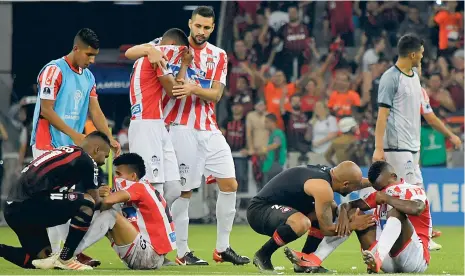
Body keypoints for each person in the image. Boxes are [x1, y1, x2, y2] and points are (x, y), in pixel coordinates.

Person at [125, 6, 249, 265]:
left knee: (230, 184)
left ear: (212, 28)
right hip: (179, 127)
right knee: (184, 191)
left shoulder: (219, 55)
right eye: (197, 26)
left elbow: (216, 95)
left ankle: (222, 248)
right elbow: (133, 53)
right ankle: (181, 251)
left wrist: (192, 88)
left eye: (206, 28)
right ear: (190, 24)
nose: (201, 32)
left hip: (210, 127)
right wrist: (150, 48)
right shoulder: (172, 47)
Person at [29, 28, 121, 263]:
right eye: (89, 55)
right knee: (55, 202)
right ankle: (61, 255)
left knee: (69, 200)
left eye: (94, 56)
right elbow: (47, 111)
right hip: (47, 146)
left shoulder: (88, 77)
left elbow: (96, 111)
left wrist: (108, 138)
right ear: (76, 48)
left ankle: (67, 253)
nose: (92, 61)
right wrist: (77, 136)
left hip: (71, 150)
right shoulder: (54, 70)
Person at [372, 33, 461, 251]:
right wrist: (378, 148)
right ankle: (422, 238)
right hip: (397, 147)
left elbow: (429, 115)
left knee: (411, 191)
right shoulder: (390, 78)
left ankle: (418, 235)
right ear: (412, 54)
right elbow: (382, 116)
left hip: (413, 147)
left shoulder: (414, 77)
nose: (422, 56)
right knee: (412, 191)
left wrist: (450, 135)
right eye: (421, 52)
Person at [0, 131, 111, 270]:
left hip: (13, 209)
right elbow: (96, 201)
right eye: (105, 156)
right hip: (30, 204)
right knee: (87, 203)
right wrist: (117, 198)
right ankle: (66, 258)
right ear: (97, 149)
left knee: (44, 261)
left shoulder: (65, 152)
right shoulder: (86, 159)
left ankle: (1, 249)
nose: (104, 161)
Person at [294, 161, 431, 273]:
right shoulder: (379, 194)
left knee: (396, 213)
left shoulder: (411, 189)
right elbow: (348, 205)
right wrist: (343, 215)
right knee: (355, 215)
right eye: (379, 189)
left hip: (415, 259)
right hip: (388, 263)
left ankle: (378, 257)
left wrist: (387, 198)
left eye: (385, 187)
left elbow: (417, 208)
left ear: (394, 176)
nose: (382, 191)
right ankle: (315, 259)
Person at [246, 161, 375, 272]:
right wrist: (354, 225)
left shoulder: (331, 174)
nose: (356, 189)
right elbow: (327, 229)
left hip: (282, 207)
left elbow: (358, 182)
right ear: (346, 184)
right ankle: (263, 255)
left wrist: (380, 182)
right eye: (354, 187)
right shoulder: (323, 188)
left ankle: (304, 261)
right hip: (260, 211)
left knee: (329, 210)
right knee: (302, 223)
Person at [72, 153, 176, 269]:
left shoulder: (139, 187)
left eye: (119, 174)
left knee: (108, 214)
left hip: (148, 256)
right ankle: (76, 254)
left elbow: (106, 201)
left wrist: (97, 194)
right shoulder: (145, 187)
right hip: (150, 254)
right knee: (101, 210)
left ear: (133, 176)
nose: (116, 178)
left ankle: (68, 254)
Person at [128, 28, 192, 208]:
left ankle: (153, 221)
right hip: (145, 123)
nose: (178, 60)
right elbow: (174, 91)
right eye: (179, 54)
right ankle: (137, 223)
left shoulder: (153, 52)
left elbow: (173, 92)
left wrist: (184, 66)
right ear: (172, 46)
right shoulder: (157, 55)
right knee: (153, 185)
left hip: (158, 124)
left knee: (173, 188)